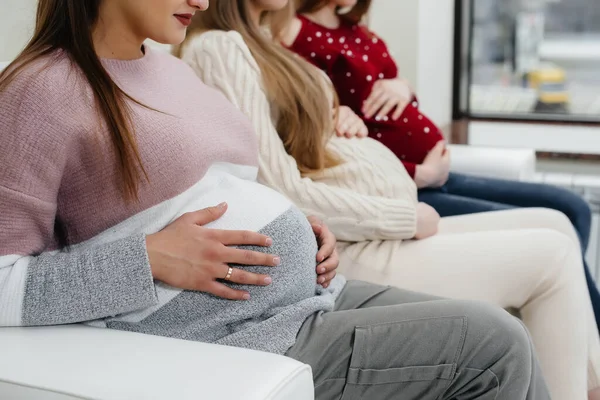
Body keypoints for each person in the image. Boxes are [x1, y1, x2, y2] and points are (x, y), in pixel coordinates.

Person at [0, 0, 550, 399]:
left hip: (308, 292)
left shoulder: (169, 68)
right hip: (235, 334)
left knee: (505, 334)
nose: (204, 1)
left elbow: (221, 184)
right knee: (496, 345)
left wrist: (299, 223)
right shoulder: (39, 91)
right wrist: (150, 258)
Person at [178, 0, 600, 398]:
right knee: (553, 256)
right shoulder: (220, 47)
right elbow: (279, 186)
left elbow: (294, 145)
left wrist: (331, 115)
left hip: (376, 221)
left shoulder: (263, 42)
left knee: (558, 223)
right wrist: (403, 216)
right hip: (355, 243)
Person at [287, 0, 600, 333]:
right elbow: (330, 151)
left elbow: (392, 93)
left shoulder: (356, 30)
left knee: (573, 208)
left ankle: (564, 326)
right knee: (556, 228)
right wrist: (419, 173)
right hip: (406, 186)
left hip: (437, 173)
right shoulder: (298, 39)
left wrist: (402, 87)